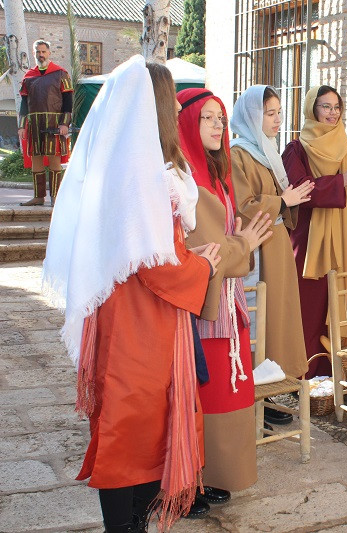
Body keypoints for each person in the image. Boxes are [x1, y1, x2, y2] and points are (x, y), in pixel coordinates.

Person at [41, 56, 221, 532]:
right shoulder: (147, 177)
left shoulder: (123, 170)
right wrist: (202, 265)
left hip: (124, 316)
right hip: (143, 323)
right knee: (133, 426)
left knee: (136, 423)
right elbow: (156, 264)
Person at [177, 88, 272, 516]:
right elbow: (210, 249)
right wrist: (244, 242)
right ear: (187, 125)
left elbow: (225, 243)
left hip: (225, 300)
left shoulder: (215, 174)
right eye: (207, 119)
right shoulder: (188, 181)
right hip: (202, 306)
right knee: (203, 393)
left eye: (221, 118)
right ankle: (189, 480)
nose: (218, 126)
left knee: (225, 390)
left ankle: (212, 472)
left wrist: (239, 242)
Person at [281, 86, 347, 377]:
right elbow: (300, 189)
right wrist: (340, 182)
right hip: (309, 239)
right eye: (326, 106)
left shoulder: (345, 146)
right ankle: (305, 372)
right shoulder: (296, 149)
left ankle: (335, 373)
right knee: (309, 307)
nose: (333, 112)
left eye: (337, 107)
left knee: (337, 305)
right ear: (312, 109)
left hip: (344, 239)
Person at [230, 85, 312, 424]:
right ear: (252, 116)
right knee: (258, 320)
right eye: (270, 113)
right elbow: (242, 206)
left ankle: (268, 392)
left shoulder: (265, 150)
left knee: (275, 319)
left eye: (279, 112)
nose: (278, 119)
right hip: (259, 249)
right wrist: (283, 201)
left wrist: (284, 200)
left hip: (276, 245)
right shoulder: (239, 154)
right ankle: (251, 398)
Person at [18, 39, 73, 206]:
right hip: (34, 123)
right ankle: (38, 197)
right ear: (34, 54)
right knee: (36, 158)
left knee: (54, 158)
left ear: (49, 53)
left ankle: (56, 197)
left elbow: (68, 100)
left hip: (54, 123)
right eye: (38, 52)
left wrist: (64, 124)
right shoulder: (28, 77)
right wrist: (22, 125)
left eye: (43, 52)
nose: (41, 55)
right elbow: (24, 103)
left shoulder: (60, 73)